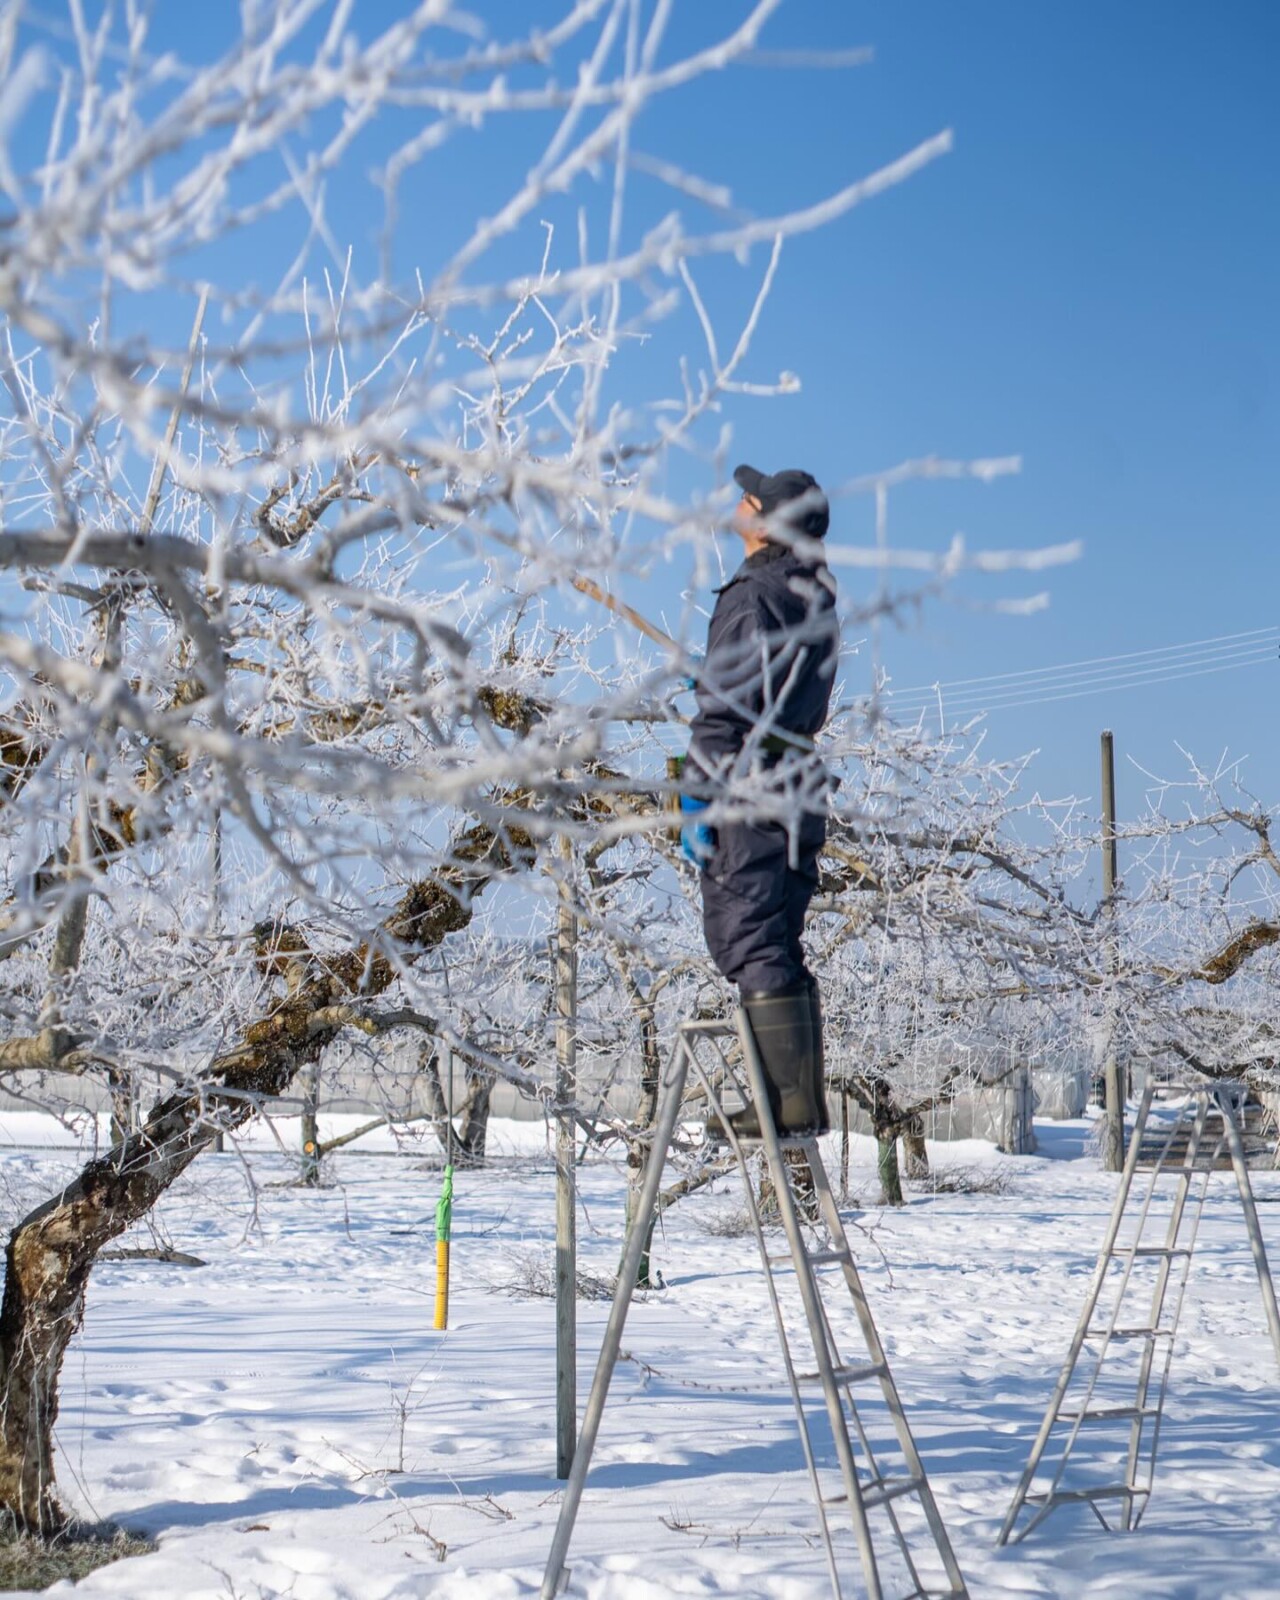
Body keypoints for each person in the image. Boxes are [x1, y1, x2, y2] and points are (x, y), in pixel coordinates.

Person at [680, 464, 839, 1138]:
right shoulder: (816, 594)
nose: (737, 502)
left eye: (750, 497)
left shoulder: (752, 598)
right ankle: (793, 1100)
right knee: (777, 935)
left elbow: (724, 713)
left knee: (746, 935)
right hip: (798, 785)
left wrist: (699, 797)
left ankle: (786, 1104)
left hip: (752, 785)